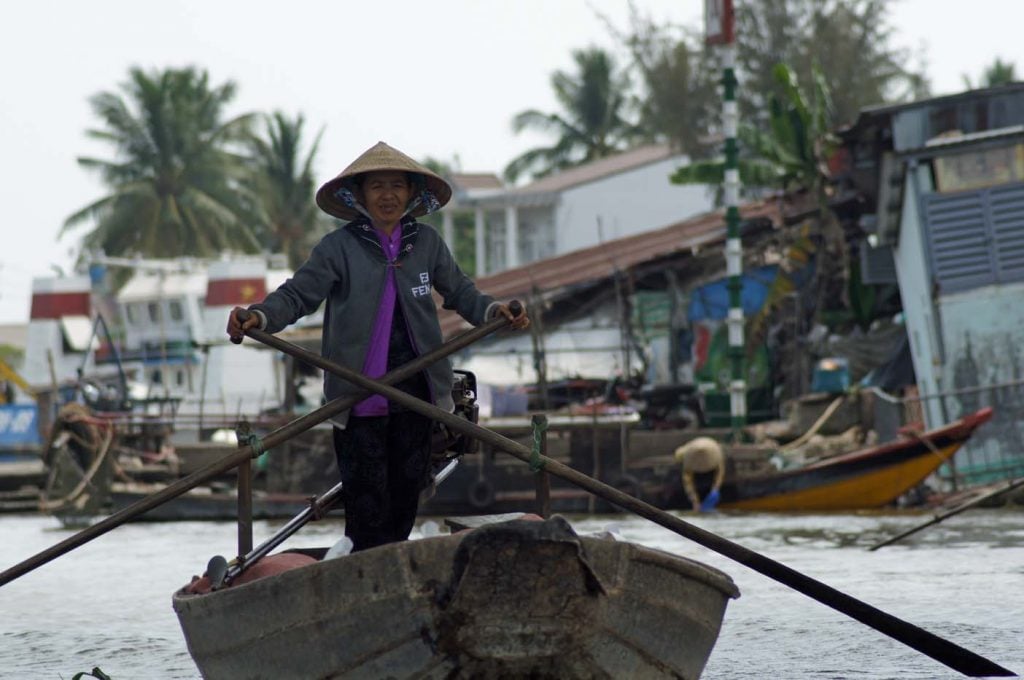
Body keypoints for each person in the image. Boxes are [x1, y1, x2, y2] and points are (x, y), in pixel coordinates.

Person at [226, 141, 529, 552]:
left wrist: (496, 312)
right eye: (378, 187)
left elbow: (461, 292)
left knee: (406, 496)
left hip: (418, 392)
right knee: (366, 503)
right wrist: (259, 317)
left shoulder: (427, 244)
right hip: (358, 394)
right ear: (360, 195)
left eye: (397, 186)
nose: (388, 195)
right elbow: (298, 295)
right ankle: (367, 566)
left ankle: (391, 567)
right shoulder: (338, 247)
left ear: (410, 193)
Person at [673, 436, 726, 512]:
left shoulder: (716, 456)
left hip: (710, 480)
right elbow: (688, 482)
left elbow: (720, 474)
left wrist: (715, 489)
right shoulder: (687, 459)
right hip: (695, 481)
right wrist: (694, 500)